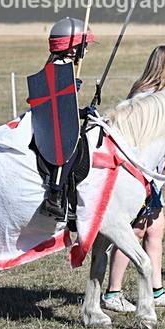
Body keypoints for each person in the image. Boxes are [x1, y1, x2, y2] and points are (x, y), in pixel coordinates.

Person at [100, 44, 165, 313]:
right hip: (137, 174)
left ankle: (157, 290)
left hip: (152, 173)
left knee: (156, 229)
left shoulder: (163, 94)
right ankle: (112, 293)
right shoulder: (145, 96)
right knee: (134, 231)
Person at [36, 17, 95, 221]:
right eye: (84, 45)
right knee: (70, 146)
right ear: (72, 48)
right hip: (49, 124)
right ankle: (54, 195)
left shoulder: (65, 66)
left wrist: (82, 112)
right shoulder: (58, 67)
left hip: (57, 118)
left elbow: (64, 109)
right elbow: (51, 104)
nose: (86, 50)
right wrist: (66, 88)